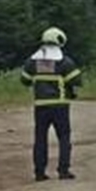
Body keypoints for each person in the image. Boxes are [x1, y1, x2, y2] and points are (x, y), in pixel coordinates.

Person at [20, 27, 83, 182]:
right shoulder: (64, 61)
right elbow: (76, 80)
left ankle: (39, 173)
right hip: (60, 105)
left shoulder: (33, 61)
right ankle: (63, 171)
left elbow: (24, 80)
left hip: (40, 105)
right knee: (64, 137)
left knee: (40, 139)